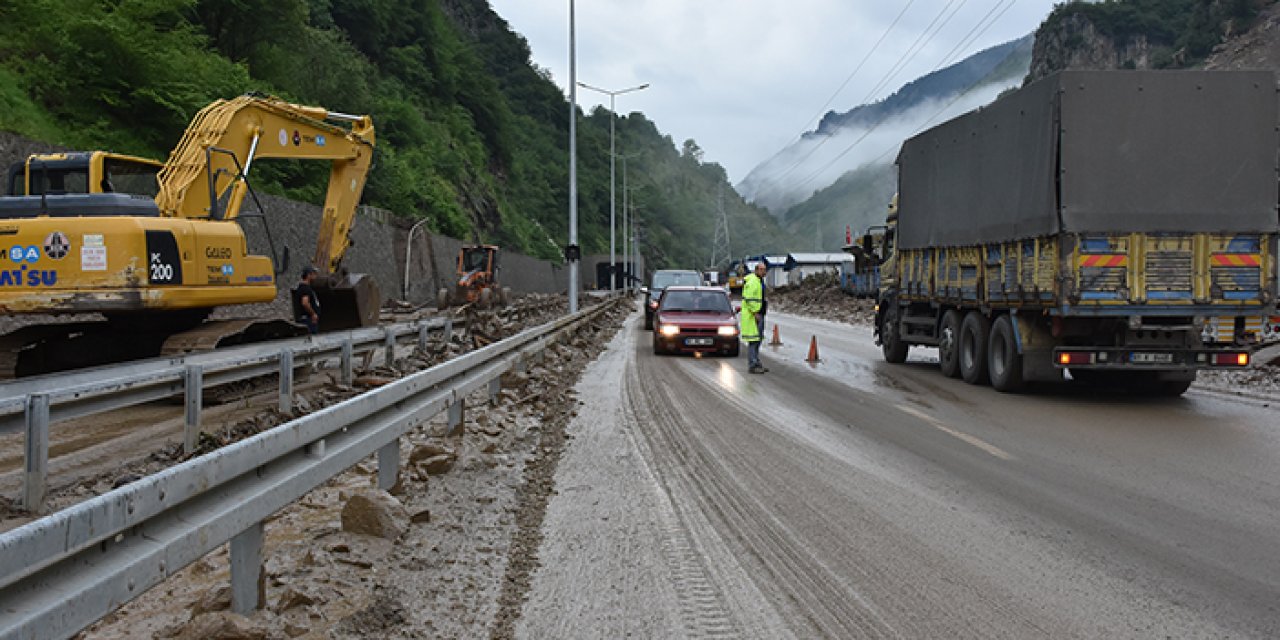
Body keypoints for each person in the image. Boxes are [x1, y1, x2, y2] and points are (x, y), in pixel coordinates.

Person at [741, 261, 769, 373]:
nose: (764, 272)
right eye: (762, 270)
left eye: (765, 270)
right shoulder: (753, 281)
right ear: (757, 270)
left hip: (759, 313)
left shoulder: (759, 281)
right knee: (753, 341)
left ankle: (756, 362)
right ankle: (752, 364)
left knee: (758, 339)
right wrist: (755, 312)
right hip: (754, 315)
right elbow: (749, 299)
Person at [293, 266, 321, 334]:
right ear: (308, 275)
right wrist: (313, 314)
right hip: (308, 320)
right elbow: (305, 303)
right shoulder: (305, 288)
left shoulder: (303, 288)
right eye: (314, 274)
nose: (315, 276)